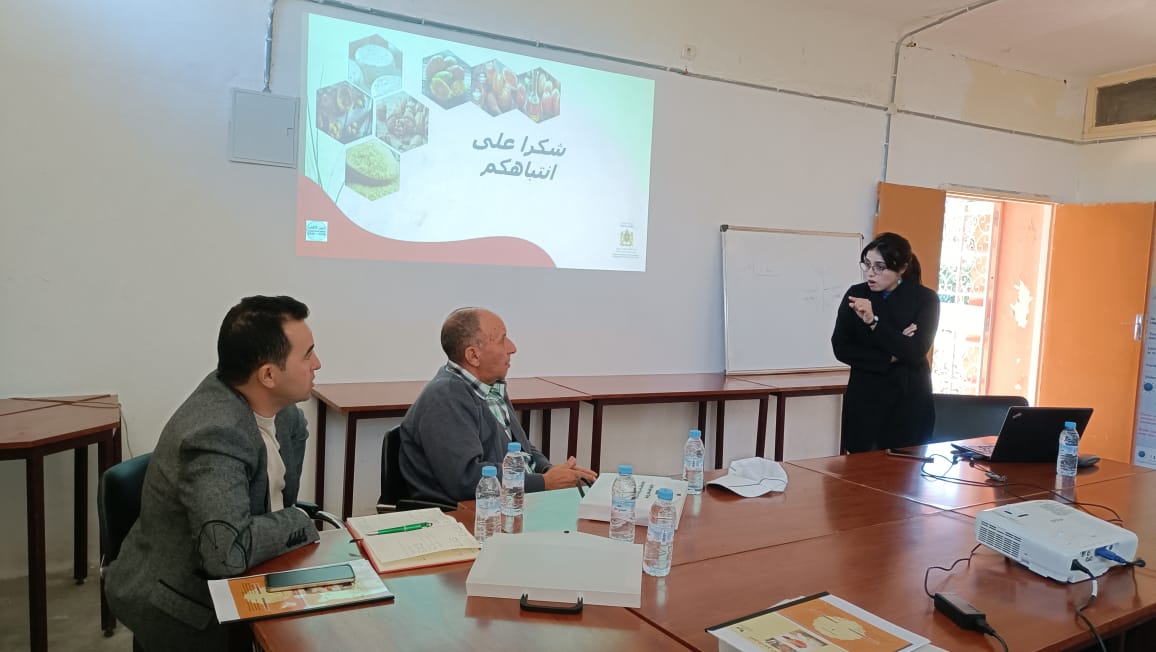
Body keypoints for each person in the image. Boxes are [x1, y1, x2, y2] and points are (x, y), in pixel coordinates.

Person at [106, 295, 324, 651]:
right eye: (307, 355)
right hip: (186, 609)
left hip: (253, 576)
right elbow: (227, 554)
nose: (317, 364)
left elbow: (270, 507)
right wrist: (298, 520)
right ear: (268, 375)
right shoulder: (215, 432)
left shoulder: (286, 415)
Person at [400, 307, 597, 505]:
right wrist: (544, 482)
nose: (512, 348)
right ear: (473, 356)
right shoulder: (446, 397)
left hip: (513, 499)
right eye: (502, 340)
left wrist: (548, 470)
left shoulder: (490, 387)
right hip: (472, 511)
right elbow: (466, 480)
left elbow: (521, 448)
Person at [831, 232, 940, 452]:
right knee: (859, 465)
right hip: (865, 396)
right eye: (868, 264)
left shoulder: (925, 299)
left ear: (902, 268)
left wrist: (873, 323)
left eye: (880, 267)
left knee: (905, 467)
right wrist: (890, 356)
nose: (871, 273)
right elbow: (841, 347)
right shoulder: (856, 295)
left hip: (908, 398)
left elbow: (915, 351)